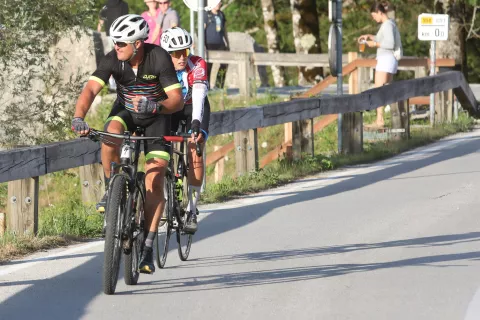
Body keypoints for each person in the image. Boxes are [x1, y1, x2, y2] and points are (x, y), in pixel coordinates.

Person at [72, 14, 184, 274]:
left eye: (122, 43)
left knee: (154, 180)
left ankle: (146, 246)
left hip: (156, 117)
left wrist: (156, 105)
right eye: (115, 42)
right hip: (126, 112)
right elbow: (90, 89)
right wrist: (79, 117)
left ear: (138, 44)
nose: (117, 46)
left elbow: (176, 100)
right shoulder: (113, 58)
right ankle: (113, 187)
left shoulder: (158, 57)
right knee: (111, 132)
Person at [161, 27, 210, 234]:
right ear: (166, 54)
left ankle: (191, 209)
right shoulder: (159, 66)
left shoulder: (197, 64)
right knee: (158, 145)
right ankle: (163, 194)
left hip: (193, 108)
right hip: (170, 108)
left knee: (194, 147)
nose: (182, 57)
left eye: (185, 51)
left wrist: (197, 122)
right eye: (176, 53)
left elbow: (199, 95)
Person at [358, 2, 401, 128]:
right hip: (390, 59)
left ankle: (379, 120)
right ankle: (389, 117)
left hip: (385, 59)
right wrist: (370, 37)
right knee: (386, 90)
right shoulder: (389, 24)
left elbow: (389, 44)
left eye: (374, 16)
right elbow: (382, 38)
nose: (374, 18)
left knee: (378, 90)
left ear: (379, 12)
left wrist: (374, 44)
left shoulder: (387, 25)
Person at [204, 1, 229, 89]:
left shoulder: (221, 14)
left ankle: (219, 85)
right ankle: (207, 86)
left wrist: (227, 43)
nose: (219, 4)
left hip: (220, 43)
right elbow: (202, 30)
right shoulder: (207, 15)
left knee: (225, 63)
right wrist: (203, 45)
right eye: (217, 2)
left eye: (220, 2)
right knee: (208, 66)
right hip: (209, 43)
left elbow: (224, 30)